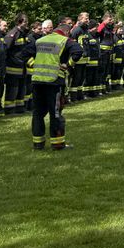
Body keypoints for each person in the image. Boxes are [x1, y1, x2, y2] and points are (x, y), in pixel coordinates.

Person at [31, 20, 83, 151]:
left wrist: (34, 65)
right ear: (66, 32)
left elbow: (24, 54)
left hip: (37, 81)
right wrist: (68, 64)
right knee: (55, 113)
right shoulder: (64, 40)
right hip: (54, 82)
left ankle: (38, 144)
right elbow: (78, 50)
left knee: (37, 114)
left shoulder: (39, 41)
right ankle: (58, 144)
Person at [3, 13, 31, 114]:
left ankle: (20, 108)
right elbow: (5, 50)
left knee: (21, 88)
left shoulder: (23, 33)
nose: (27, 23)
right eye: (26, 21)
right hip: (13, 67)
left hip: (22, 67)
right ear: (19, 22)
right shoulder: (13, 34)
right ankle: (9, 110)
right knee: (12, 89)